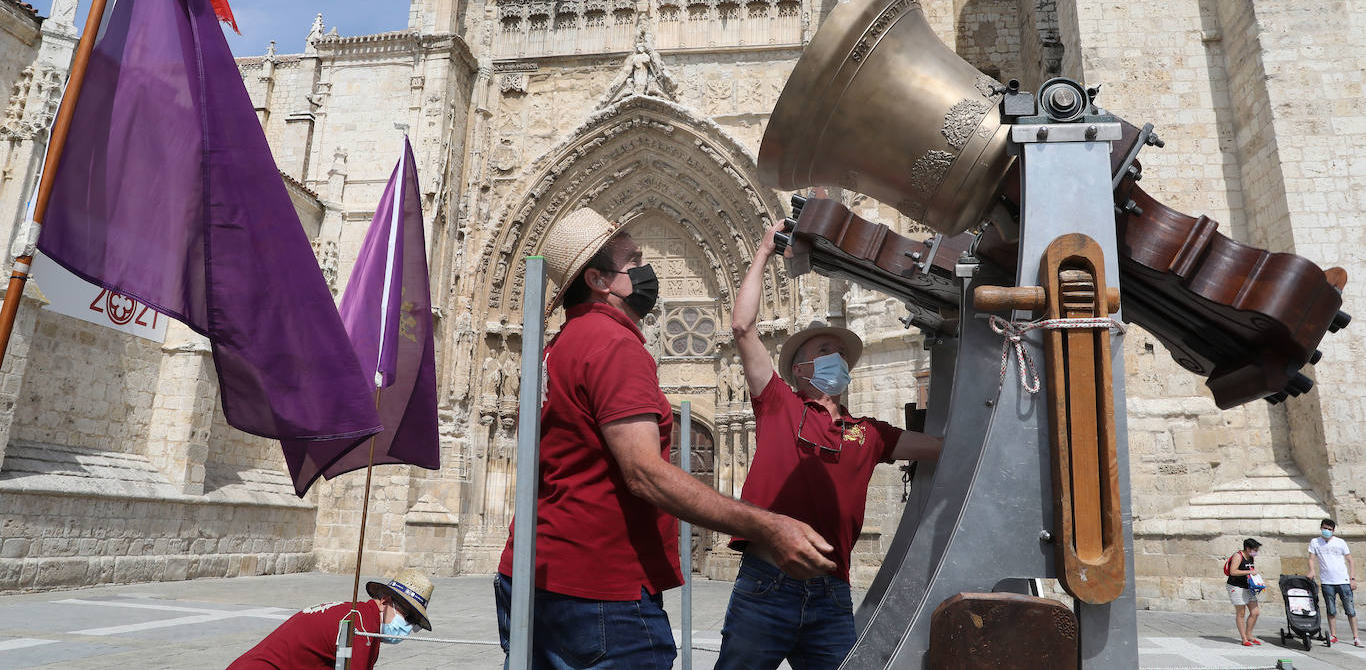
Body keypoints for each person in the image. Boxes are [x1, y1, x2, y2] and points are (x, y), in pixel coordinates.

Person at [494, 207, 836, 669]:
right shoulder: (612, 345)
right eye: (634, 261)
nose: (646, 269)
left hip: (539, 575)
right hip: (601, 591)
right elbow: (644, 474)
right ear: (599, 279)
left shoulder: (562, 344)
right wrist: (768, 526)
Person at [713, 220, 944, 670]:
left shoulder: (869, 432)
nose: (835, 358)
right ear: (799, 370)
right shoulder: (780, 405)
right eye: (823, 350)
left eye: (839, 352)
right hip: (768, 584)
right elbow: (743, 328)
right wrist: (762, 251)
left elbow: (942, 448)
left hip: (831, 590)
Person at [228, 568, 434, 669]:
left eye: (413, 623)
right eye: (407, 616)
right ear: (386, 600)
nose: (407, 626)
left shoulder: (363, 617)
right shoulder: (361, 625)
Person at [1309, 517, 1361, 646]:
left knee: (1350, 610)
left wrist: (1352, 578)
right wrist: (1312, 570)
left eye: (1329, 529)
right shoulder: (1315, 542)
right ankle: (1333, 635)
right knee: (1331, 610)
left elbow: (1350, 560)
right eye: (1325, 528)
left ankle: (1356, 637)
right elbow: (1311, 558)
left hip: (1343, 581)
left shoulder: (1340, 542)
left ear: (1333, 530)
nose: (1327, 531)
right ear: (1321, 528)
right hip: (1327, 581)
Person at [1225, 538, 1263, 646]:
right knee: (1241, 613)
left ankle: (1249, 634)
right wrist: (1249, 571)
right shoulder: (1238, 556)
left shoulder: (1251, 557)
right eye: (1255, 550)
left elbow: (1250, 571)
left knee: (1255, 612)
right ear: (1247, 548)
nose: (1256, 552)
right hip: (1236, 587)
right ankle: (1244, 638)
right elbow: (1233, 571)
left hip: (1248, 587)